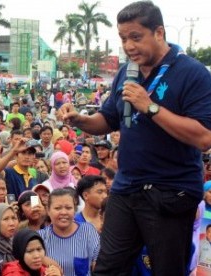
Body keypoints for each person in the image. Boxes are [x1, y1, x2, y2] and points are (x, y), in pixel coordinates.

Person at [59, 1, 211, 274]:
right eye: (123, 38)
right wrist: (79, 119)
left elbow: (203, 137)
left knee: (166, 270)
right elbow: (108, 120)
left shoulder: (193, 73)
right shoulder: (126, 73)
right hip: (127, 186)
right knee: (107, 269)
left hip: (170, 191)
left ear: (160, 33)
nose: (128, 46)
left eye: (136, 37)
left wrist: (150, 107)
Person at [38, 188, 100, 276]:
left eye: (68, 208)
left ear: (74, 210)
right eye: (57, 208)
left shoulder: (88, 231)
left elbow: (99, 264)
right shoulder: (40, 237)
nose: (63, 212)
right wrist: (42, 259)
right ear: (48, 211)